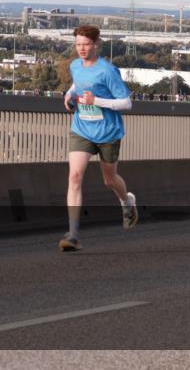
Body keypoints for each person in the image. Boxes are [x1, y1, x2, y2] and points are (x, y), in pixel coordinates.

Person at [60, 25, 138, 252]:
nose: (81, 49)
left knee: (109, 180)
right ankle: (73, 234)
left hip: (107, 132)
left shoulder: (108, 71)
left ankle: (127, 202)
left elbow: (126, 103)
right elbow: (78, 84)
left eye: (86, 44)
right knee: (75, 176)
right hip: (82, 128)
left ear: (96, 44)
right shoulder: (75, 66)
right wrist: (69, 94)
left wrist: (97, 101)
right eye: (78, 45)